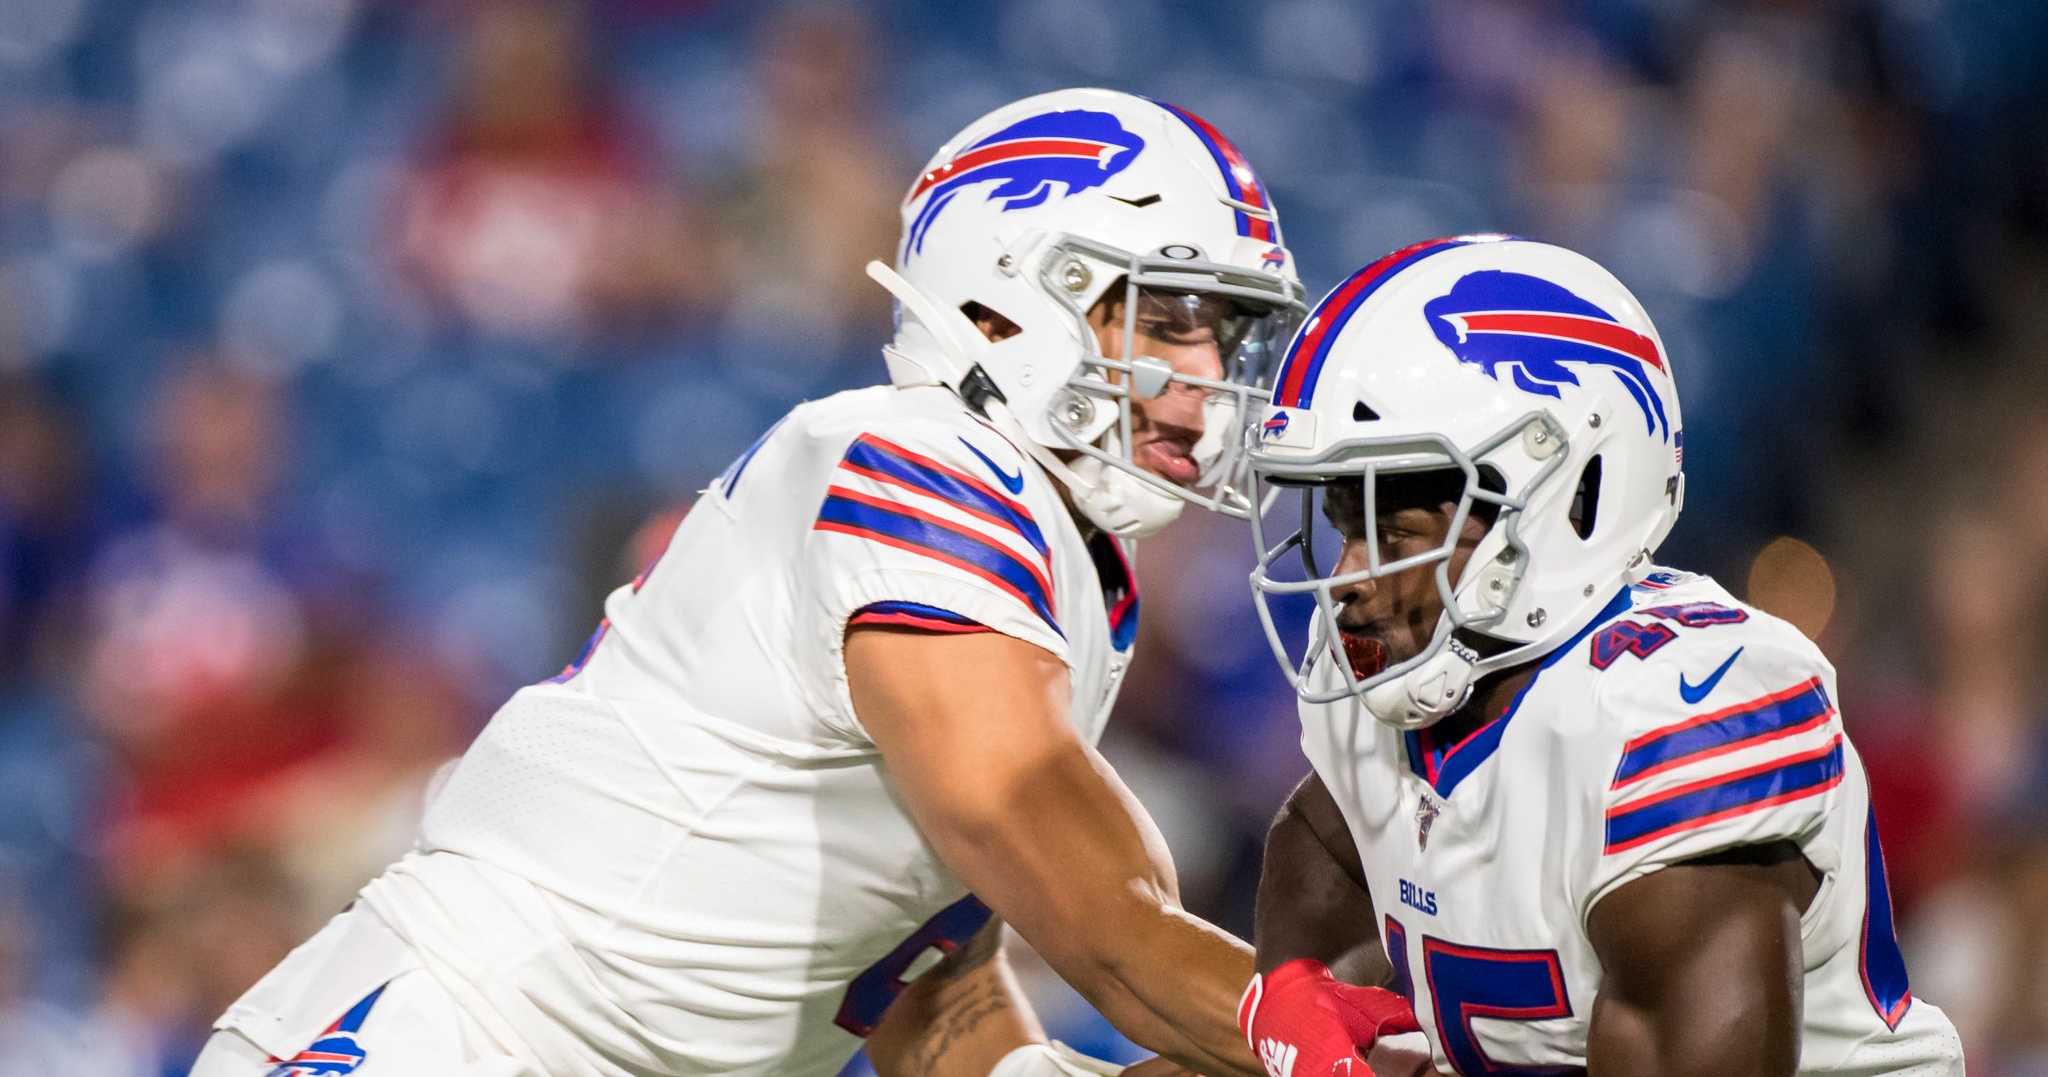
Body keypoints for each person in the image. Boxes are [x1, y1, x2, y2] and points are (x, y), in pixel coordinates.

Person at [194, 89, 1406, 1077]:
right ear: (1006, 298)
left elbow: (933, 1004)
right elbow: (1053, 853)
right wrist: (1265, 1018)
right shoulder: (917, 460)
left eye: (1225, 332)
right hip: (450, 1039)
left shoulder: (1056, 562)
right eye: (1175, 316)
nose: (1206, 378)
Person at [1237, 236, 1967, 1076]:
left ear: (1564, 499)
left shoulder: (1675, 711)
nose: (1348, 580)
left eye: (1395, 533)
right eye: (1345, 528)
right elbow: (1335, 832)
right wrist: (1296, 983)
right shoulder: (1403, 659)